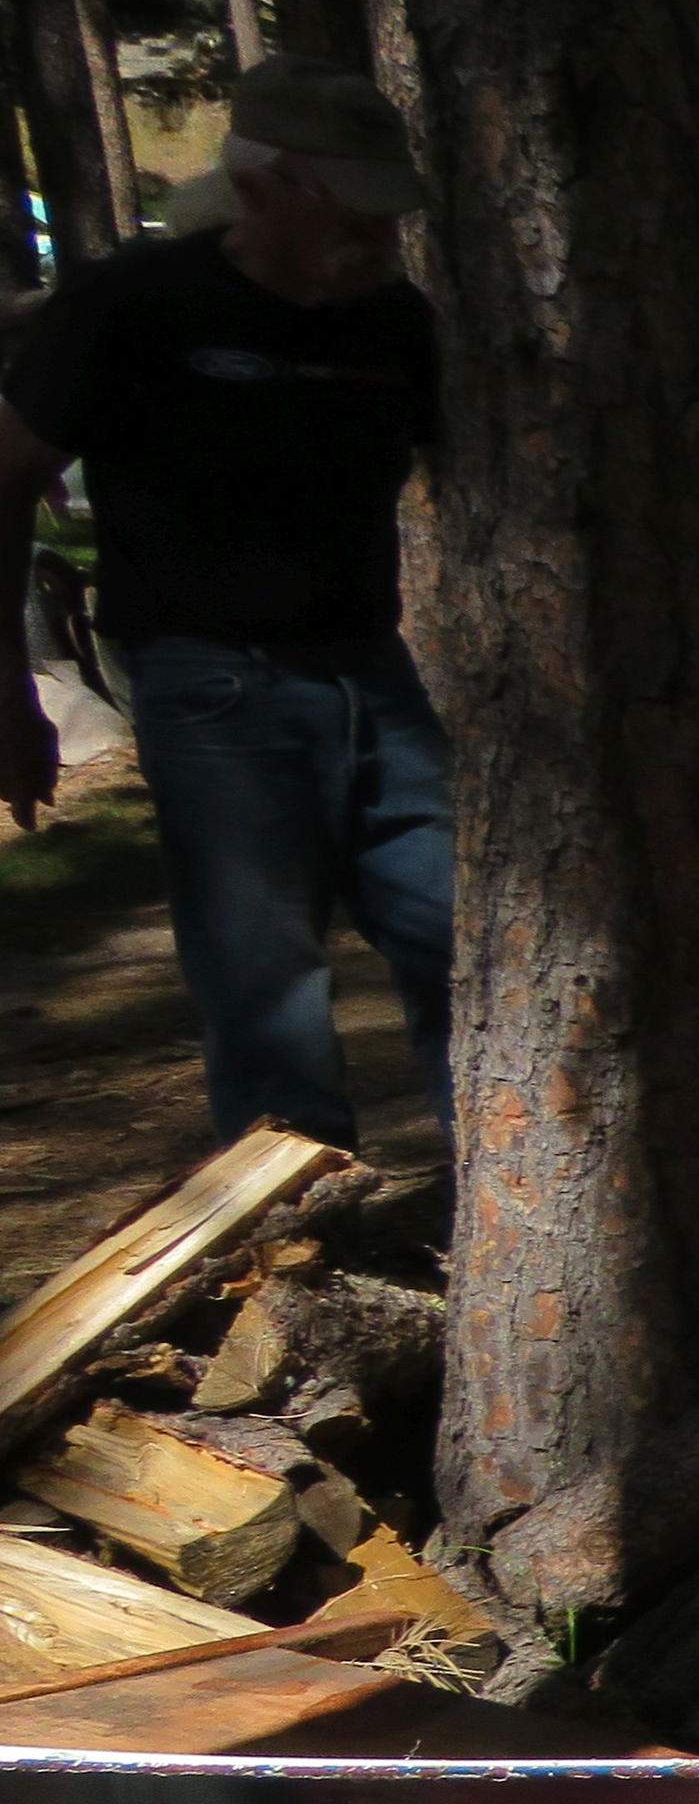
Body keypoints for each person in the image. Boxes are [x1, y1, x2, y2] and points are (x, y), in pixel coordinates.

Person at [0, 57, 448, 1152]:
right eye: (352, 203)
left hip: (370, 668)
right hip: (210, 684)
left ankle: (504, 1194)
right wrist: (10, 695)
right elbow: (5, 480)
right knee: (264, 977)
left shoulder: (393, 322)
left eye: (391, 207)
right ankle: (292, 1240)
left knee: (462, 930)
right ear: (264, 186)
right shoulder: (135, 307)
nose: (383, 233)